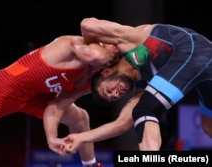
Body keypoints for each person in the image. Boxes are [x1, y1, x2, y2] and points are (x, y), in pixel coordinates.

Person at [0, 34, 121, 167]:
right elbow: (96, 53)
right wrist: (123, 52)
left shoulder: (95, 79)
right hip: (7, 88)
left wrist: (51, 138)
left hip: (35, 96)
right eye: (113, 45)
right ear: (100, 42)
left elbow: (57, 106)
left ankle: (90, 165)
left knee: (80, 118)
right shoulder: (72, 45)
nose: (116, 48)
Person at [61, 17, 212, 152]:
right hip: (205, 71)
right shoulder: (143, 85)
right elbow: (121, 124)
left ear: (106, 72)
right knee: (208, 127)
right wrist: (81, 138)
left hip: (193, 50)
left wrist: (94, 60)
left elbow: (87, 24)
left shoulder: (129, 42)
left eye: (108, 90)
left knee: (144, 110)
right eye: (113, 98)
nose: (115, 94)